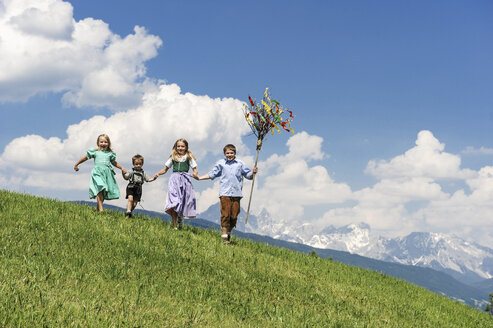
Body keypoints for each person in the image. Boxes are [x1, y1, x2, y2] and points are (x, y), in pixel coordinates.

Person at [194, 144, 257, 244]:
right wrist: (199, 178)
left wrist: (253, 173)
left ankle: (228, 231)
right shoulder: (221, 163)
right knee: (225, 214)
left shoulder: (240, 164)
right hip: (225, 193)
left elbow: (248, 176)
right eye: (227, 153)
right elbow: (212, 174)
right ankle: (225, 238)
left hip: (236, 194)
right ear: (224, 154)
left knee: (234, 216)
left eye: (231, 153)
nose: (229, 155)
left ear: (235, 153)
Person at [74, 134, 126, 212]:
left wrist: (121, 167)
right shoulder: (95, 152)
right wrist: (77, 164)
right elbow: (85, 158)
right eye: (101, 142)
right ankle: (101, 210)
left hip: (107, 174)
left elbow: (114, 162)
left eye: (105, 142)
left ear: (108, 143)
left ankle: (98, 209)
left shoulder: (110, 153)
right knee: (100, 188)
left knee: (103, 191)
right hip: (97, 173)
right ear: (98, 143)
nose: (103, 144)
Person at [154, 139, 198, 230]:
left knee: (182, 202)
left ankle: (180, 219)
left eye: (182, 146)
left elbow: (195, 170)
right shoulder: (173, 157)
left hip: (185, 180)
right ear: (175, 147)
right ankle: (174, 226)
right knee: (174, 203)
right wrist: (158, 173)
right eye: (178, 146)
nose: (180, 148)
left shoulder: (189, 157)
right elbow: (165, 169)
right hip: (174, 180)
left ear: (186, 147)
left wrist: (195, 175)